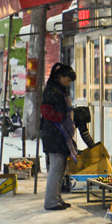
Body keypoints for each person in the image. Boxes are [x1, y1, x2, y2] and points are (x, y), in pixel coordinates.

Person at [40, 63, 77, 211]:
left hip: (60, 133)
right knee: (56, 166)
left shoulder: (60, 89)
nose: (69, 83)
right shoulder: (51, 91)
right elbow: (46, 111)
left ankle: (56, 197)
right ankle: (51, 201)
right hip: (53, 133)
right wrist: (61, 117)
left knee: (61, 166)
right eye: (68, 79)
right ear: (60, 77)